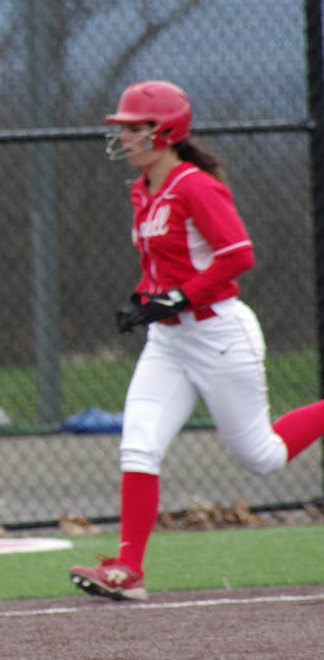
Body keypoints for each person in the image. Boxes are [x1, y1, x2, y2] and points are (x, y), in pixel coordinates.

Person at [69, 80, 324, 601]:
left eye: (134, 128)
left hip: (218, 334)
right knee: (139, 445)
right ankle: (128, 569)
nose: (124, 137)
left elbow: (237, 255)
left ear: (164, 131)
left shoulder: (195, 186)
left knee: (262, 457)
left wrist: (179, 297)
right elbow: (161, 266)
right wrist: (143, 299)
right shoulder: (143, 190)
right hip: (169, 342)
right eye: (123, 128)